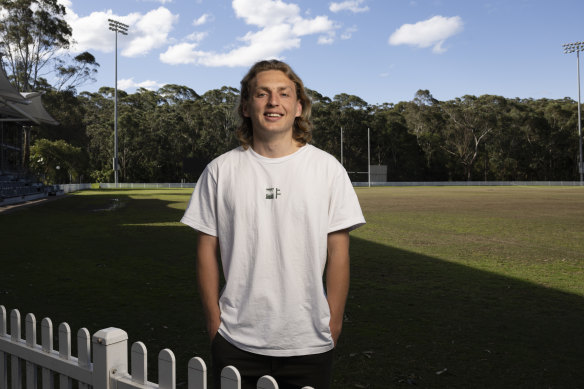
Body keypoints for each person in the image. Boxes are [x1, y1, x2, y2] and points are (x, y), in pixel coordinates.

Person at [181, 59, 365, 389]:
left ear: (298, 107)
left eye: (283, 93)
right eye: (262, 93)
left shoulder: (328, 169)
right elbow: (206, 250)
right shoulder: (220, 171)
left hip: (309, 342)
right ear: (246, 107)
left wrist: (333, 322)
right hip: (235, 342)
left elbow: (339, 252)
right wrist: (214, 322)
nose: (273, 101)